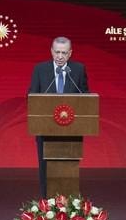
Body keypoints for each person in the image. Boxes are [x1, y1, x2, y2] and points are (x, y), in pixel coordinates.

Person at [28, 36, 89, 197]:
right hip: (45, 130)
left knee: (69, 168)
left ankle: (69, 203)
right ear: (51, 51)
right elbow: (31, 96)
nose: (60, 56)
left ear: (70, 53)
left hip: (71, 131)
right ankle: (46, 203)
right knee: (45, 169)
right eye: (57, 52)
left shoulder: (78, 69)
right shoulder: (40, 69)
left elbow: (85, 96)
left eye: (64, 53)